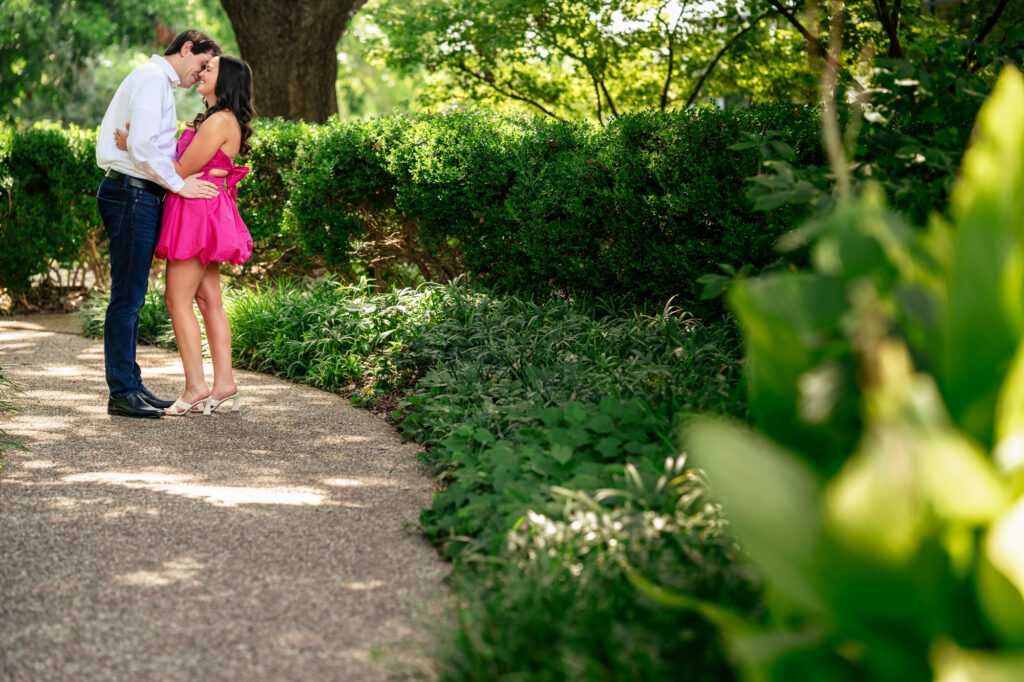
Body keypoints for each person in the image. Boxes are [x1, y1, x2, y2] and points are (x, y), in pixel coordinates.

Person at [115, 55, 255, 417]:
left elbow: (179, 169)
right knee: (208, 302)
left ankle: (196, 387)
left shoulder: (218, 121)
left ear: (225, 81)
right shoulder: (217, 119)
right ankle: (223, 386)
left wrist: (133, 143)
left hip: (196, 211)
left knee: (177, 300)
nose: (201, 71)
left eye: (210, 69)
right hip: (201, 208)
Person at [96, 30, 222, 419]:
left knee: (130, 294)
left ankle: (131, 385)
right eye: (201, 64)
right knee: (128, 297)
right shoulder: (152, 81)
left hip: (135, 193)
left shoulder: (153, 82)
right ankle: (122, 392)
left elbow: (146, 143)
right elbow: (147, 148)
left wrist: (134, 142)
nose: (199, 75)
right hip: (132, 194)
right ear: (187, 49)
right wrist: (179, 183)